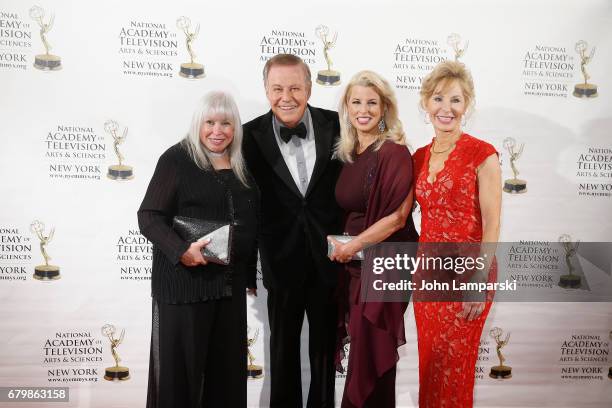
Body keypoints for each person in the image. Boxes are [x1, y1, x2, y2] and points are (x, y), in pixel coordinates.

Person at [138, 91, 258, 408]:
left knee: (227, 378)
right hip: (184, 286)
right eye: (210, 122)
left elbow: (248, 220)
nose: (217, 131)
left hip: (228, 288)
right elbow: (149, 217)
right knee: (180, 380)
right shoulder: (176, 159)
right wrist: (181, 251)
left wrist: (249, 275)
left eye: (226, 123)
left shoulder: (242, 163)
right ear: (198, 124)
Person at [242, 53, 342, 407]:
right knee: (282, 352)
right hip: (279, 260)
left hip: (331, 260)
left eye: (295, 87)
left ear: (310, 88)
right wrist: (243, 265)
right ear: (266, 89)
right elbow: (241, 205)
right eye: (278, 88)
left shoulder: (339, 125)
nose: (287, 96)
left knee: (325, 354)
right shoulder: (247, 137)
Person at [412, 60, 502, 407]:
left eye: (455, 100)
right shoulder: (418, 157)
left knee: (456, 366)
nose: (445, 109)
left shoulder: (483, 154)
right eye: (438, 99)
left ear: (467, 105)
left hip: (469, 273)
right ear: (426, 104)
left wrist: (479, 280)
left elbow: (492, 223)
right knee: (431, 365)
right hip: (428, 275)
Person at [327, 70, 419, 408]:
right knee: (366, 357)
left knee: (371, 356)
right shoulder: (348, 154)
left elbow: (395, 219)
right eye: (356, 102)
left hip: (386, 268)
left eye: (371, 102)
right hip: (355, 268)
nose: (363, 109)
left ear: (384, 108)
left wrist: (352, 246)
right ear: (347, 107)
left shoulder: (393, 152)